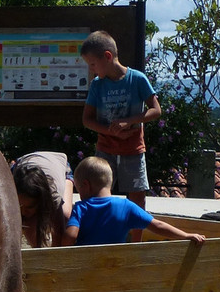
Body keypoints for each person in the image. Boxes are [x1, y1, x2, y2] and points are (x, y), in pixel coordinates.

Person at [80, 30, 161, 241]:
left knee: (137, 197)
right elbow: (87, 119)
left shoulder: (137, 79)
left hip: (132, 149)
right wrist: (109, 130)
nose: (91, 70)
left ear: (107, 56)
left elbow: (156, 110)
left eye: (92, 64)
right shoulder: (97, 85)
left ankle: (135, 243)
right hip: (105, 149)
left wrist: (130, 121)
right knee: (97, 194)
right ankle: (98, 236)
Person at [63, 157, 205, 247]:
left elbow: (71, 235)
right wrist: (186, 235)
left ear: (86, 185)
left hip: (86, 266)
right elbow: (158, 225)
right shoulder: (127, 206)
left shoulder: (81, 207)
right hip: (116, 265)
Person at [11, 151, 74, 248]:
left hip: (60, 163)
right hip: (22, 164)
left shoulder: (54, 195)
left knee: (66, 216)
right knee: (29, 222)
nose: (23, 211)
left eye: (29, 207)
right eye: (20, 206)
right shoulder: (10, 187)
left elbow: (58, 232)